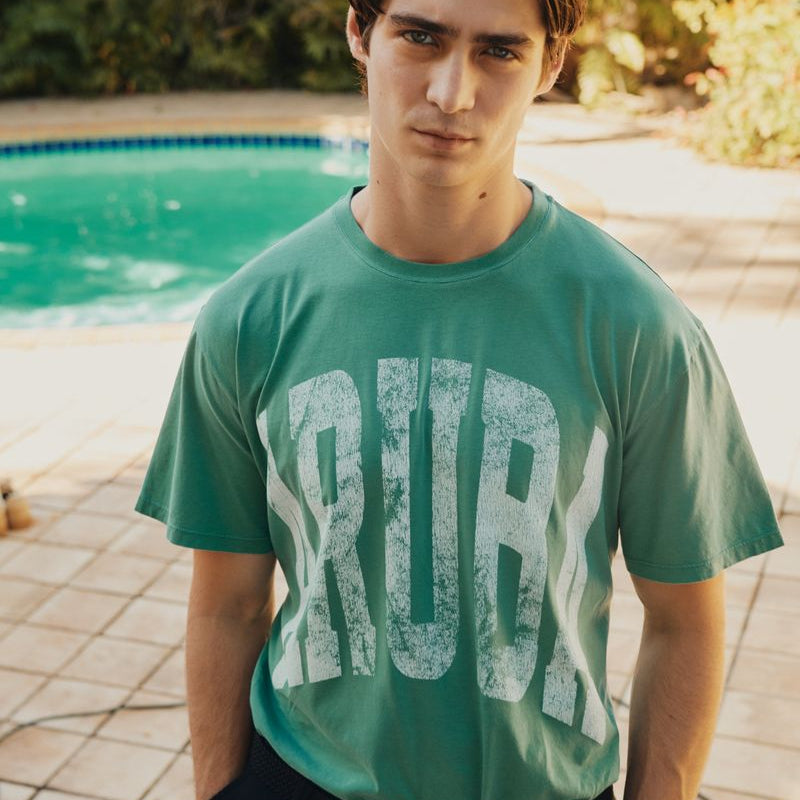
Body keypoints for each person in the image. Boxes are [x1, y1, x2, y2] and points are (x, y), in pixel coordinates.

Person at [135, 0, 785, 798]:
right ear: (358, 34)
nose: (452, 92)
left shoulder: (635, 326)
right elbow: (228, 606)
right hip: (302, 774)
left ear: (550, 64)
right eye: (421, 37)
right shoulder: (250, 318)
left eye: (499, 52)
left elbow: (684, 622)